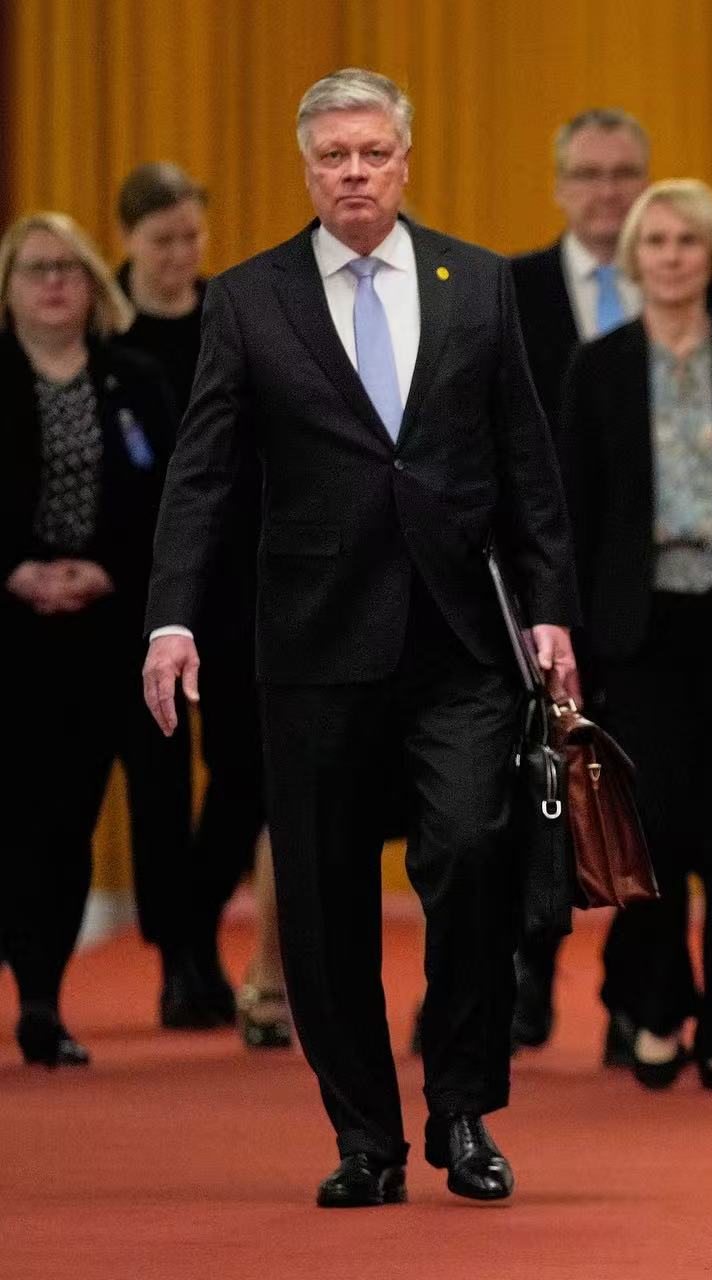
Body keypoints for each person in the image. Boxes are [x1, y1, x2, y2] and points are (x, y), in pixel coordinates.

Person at [141, 68, 579, 1208]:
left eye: (372, 152)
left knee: (476, 855)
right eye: (332, 154)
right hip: (313, 642)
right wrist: (174, 613)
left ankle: (465, 1107)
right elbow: (202, 473)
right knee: (326, 896)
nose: (352, 170)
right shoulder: (249, 299)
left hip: (459, 638)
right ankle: (365, 1135)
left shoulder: (478, 284)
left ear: (404, 160)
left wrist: (549, 608)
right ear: (306, 166)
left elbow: (528, 463)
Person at [559, 179, 712, 1092]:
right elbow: (572, 511)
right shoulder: (599, 366)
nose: (672, 256)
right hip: (639, 627)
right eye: (655, 241)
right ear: (633, 258)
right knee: (652, 831)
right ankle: (656, 1010)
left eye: (689, 240)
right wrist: (568, 640)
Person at [115, 161, 291, 1049]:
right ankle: (180, 958)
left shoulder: (231, 310)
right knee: (153, 780)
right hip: (129, 589)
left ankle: (190, 929)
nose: (182, 255)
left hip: (233, 581)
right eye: (163, 240)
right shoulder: (107, 323)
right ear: (128, 241)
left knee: (244, 772)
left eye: (192, 236)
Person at [0, 211, 176, 1068]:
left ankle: (41, 997)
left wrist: (103, 569)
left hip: (104, 627)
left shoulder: (132, 380)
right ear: (9, 287)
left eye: (69, 268)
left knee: (66, 820)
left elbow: (171, 500)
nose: (54, 283)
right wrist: (16, 571)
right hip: (8, 624)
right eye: (35, 269)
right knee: (14, 817)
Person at [510, 108, 651, 430]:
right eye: (588, 174)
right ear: (559, 187)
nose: (608, 192)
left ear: (647, 185)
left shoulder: (682, 279)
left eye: (625, 173)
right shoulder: (512, 287)